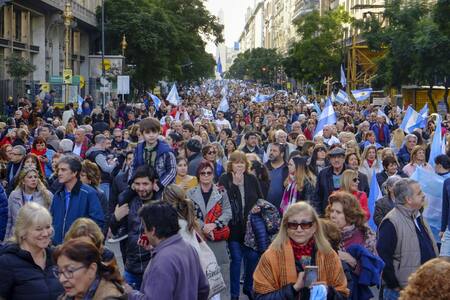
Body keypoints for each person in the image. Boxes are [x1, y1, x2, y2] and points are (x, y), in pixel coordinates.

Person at [253, 202, 349, 299]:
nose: (299, 229)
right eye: (293, 224)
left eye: (305, 224)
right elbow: (260, 297)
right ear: (286, 228)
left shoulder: (329, 255)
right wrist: (294, 288)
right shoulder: (271, 256)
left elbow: (343, 294)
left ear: (314, 227)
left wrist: (327, 291)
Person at [126, 201, 209, 300]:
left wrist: (130, 294)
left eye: (144, 227)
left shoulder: (162, 261)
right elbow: (203, 289)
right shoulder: (188, 248)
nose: (144, 232)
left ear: (153, 230)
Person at [377, 178, 438, 300]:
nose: (423, 195)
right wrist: (394, 284)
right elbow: (383, 257)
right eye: (419, 193)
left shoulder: (417, 216)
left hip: (422, 288)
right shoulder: (391, 222)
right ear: (408, 200)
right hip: (401, 292)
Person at [218, 151, 263, 299]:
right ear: (231, 164)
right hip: (233, 228)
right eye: (236, 162)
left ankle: (248, 286)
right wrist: (235, 185)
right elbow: (222, 202)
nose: (239, 165)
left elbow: (260, 199)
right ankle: (234, 294)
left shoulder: (251, 179)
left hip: (250, 228)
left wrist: (258, 207)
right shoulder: (225, 178)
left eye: (242, 162)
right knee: (236, 260)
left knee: (252, 257)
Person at [0, 202, 64, 299]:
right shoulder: (7, 262)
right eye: (38, 229)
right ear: (23, 232)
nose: (46, 233)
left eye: (48, 227)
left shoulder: (56, 257)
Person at [187, 160, 232, 297]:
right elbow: (189, 214)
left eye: (209, 172)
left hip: (217, 239)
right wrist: (203, 227)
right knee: (201, 275)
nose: (206, 175)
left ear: (213, 174)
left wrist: (214, 225)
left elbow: (228, 212)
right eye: (203, 173)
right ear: (198, 175)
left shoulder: (221, 191)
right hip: (199, 239)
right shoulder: (190, 193)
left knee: (222, 275)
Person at [110, 165, 157, 290]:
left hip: (154, 267)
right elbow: (112, 231)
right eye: (137, 184)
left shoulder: (161, 204)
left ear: (153, 183)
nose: (141, 188)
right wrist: (116, 217)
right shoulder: (129, 202)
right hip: (131, 267)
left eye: (145, 184)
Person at [50, 155, 105, 245]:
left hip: (79, 249)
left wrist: (84, 242)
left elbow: (97, 222)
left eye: (63, 170)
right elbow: (52, 219)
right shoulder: (58, 194)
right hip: (58, 248)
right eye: (58, 170)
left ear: (74, 172)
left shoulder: (88, 193)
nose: (59, 173)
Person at [53, 239, 124, 299]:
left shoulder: (109, 296)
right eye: (59, 271)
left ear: (92, 269)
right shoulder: (72, 294)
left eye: (69, 271)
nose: (61, 279)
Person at [131, 117, 177, 197]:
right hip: (142, 185)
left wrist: (160, 184)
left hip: (161, 187)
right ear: (142, 134)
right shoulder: (139, 148)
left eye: (154, 132)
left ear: (159, 132)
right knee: (123, 198)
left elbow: (172, 170)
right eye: (148, 132)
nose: (151, 135)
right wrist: (132, 181)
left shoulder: (167, 150)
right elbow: (133, 166)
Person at [5, 167, 53, 239]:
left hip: (38, 237)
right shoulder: (14, 195)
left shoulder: (46, 195)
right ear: (23, 181)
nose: (33, 179)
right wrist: (6, 240)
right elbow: (9, 220)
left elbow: (51, 219)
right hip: (17, 237)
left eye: (35, 177)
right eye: (30, 177)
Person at [86, 134, 118, 202]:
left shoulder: (91, 152)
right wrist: (114, 163)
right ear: (103, 142)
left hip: (94, 181)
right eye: (106, 143)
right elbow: (107, 169)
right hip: (102, 182)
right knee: (103, 204)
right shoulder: (98, 154)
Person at [80, 160, 109, 235]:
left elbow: (104, 220)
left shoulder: (99, 195)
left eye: (82, 175)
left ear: (90, 178)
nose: (79, 178)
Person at [316, 147, 346, 216]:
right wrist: (319, 214)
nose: (336, 160)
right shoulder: (323, 173)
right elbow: (317, 196)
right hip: (327, 214)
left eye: (339, 157)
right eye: (333, 158)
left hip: (346, 214)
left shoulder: (350, 172)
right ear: (330, 160)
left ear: (344, 159)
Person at [265, 143, 289, 209]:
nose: (271, 153)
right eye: (271, 150)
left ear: (282, 154)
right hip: (265, 207)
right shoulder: (263, 167)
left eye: (274, 151)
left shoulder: (288, 168)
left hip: (283, 208)